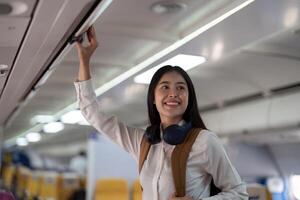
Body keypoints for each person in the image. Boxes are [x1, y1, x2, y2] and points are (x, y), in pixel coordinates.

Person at [74, 26, 248, 200]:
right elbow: (92, 112)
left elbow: (239, 193)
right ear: (153, 98)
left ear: (189, 98)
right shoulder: (142, 143)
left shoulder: (204, 141)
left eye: (180, 88)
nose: (173, 93)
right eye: (165, 87)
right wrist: (84, 60)